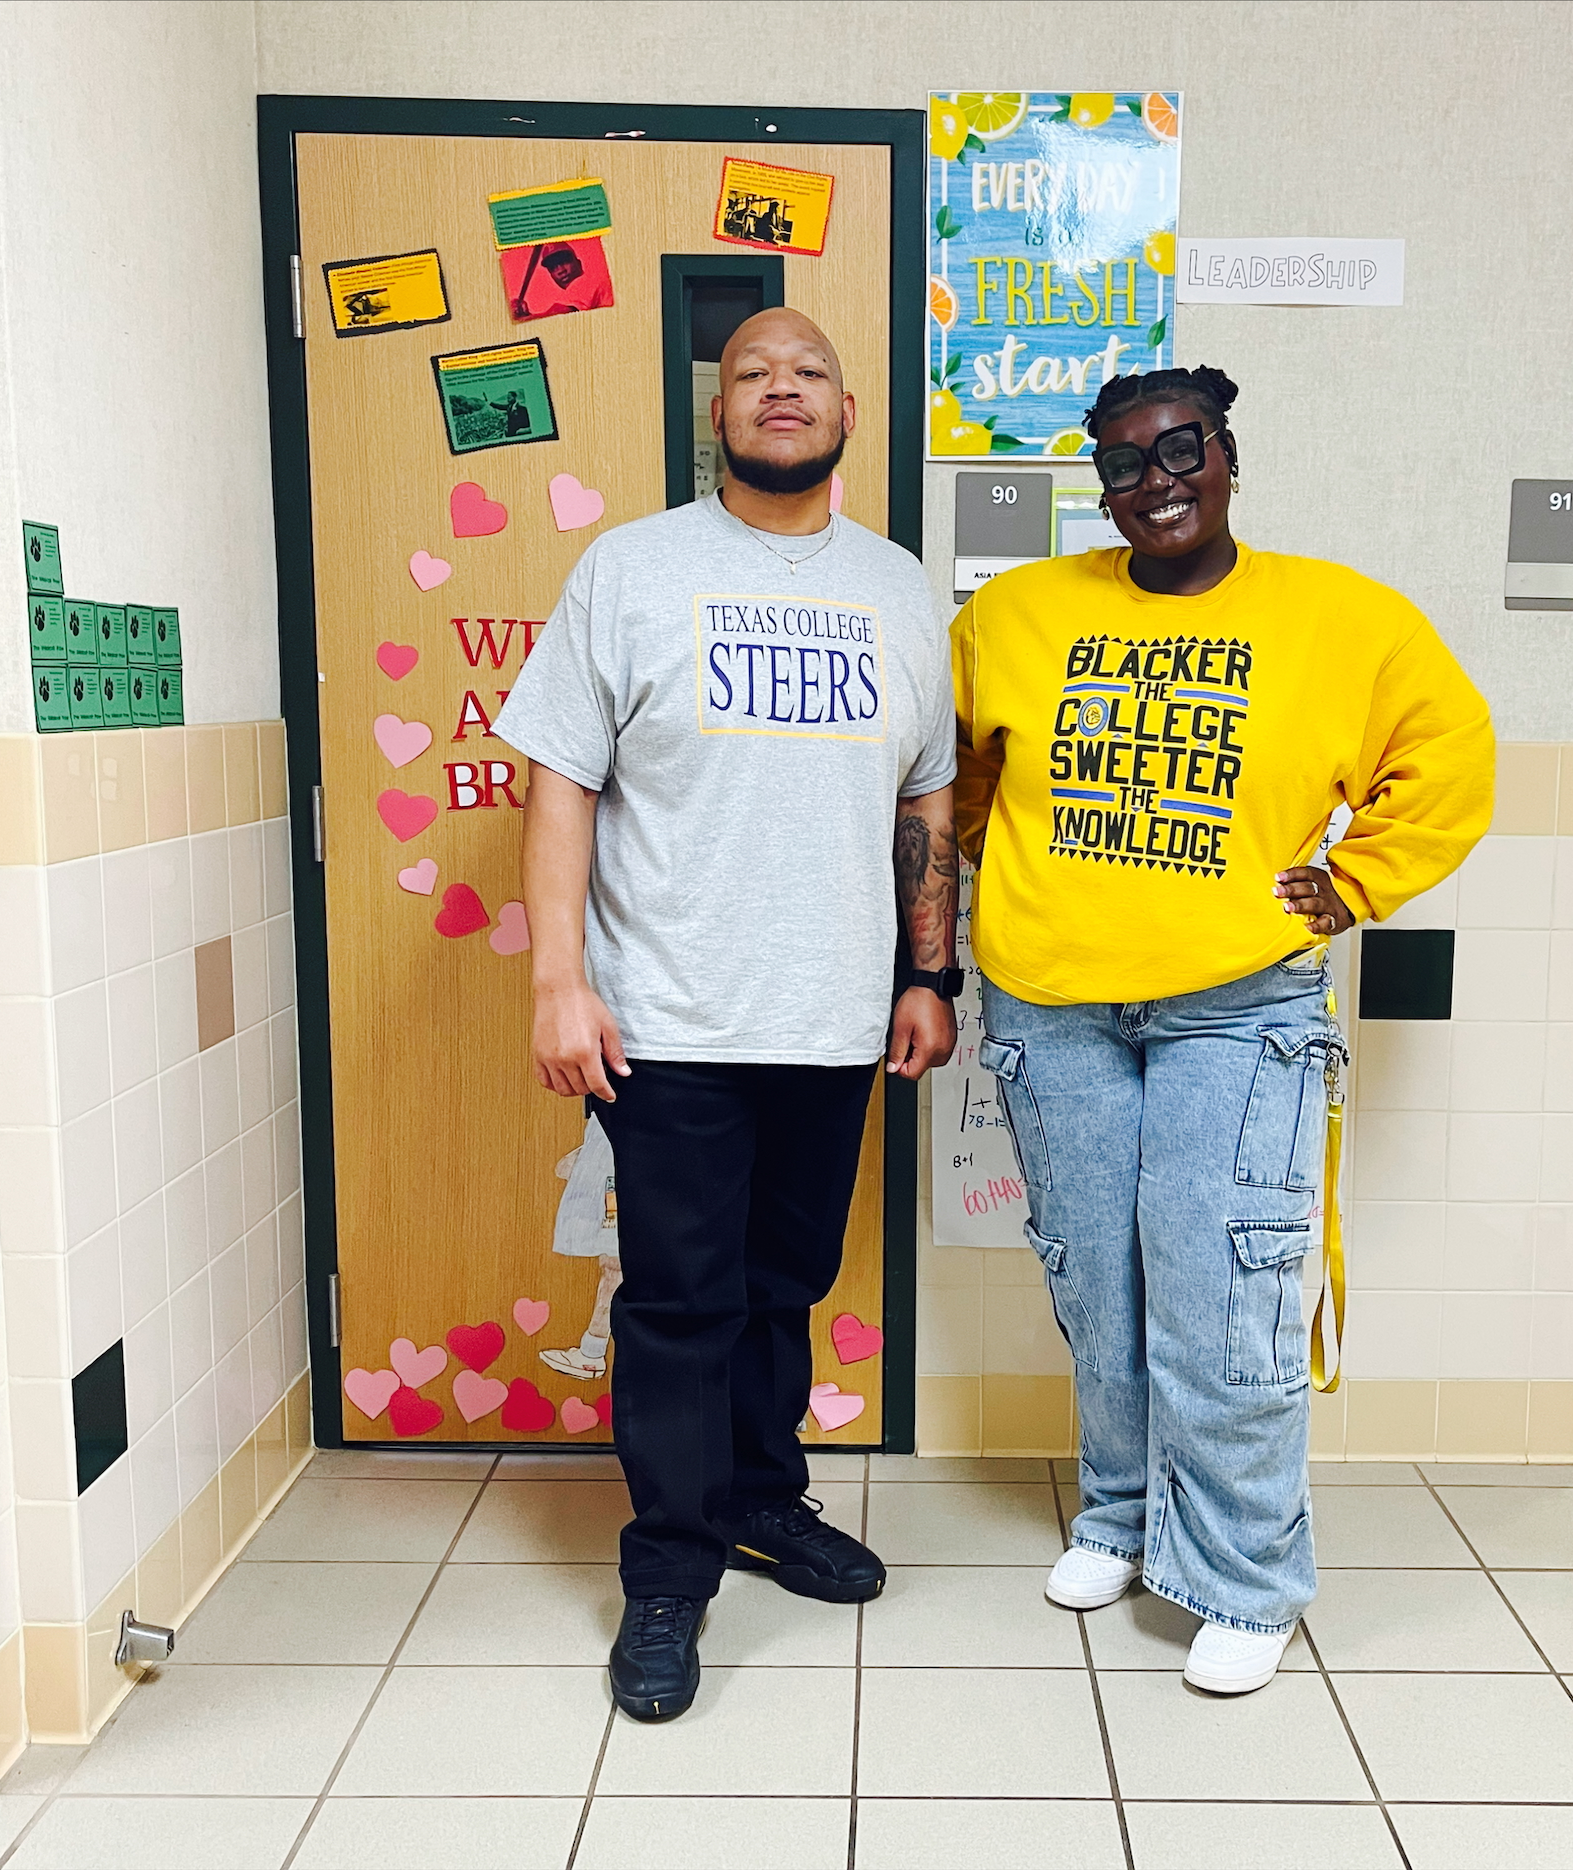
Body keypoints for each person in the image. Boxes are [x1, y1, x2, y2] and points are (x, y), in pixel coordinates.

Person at [953, 365, 1493, 1695]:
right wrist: (1005, 876)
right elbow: (953, 777)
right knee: (1099, 1279)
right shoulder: (1016, 613)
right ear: (1103, 484)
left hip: (1237, 1007)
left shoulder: (1341, 617)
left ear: (1229, 453)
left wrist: (1353, 879)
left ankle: (1248, 1576)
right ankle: (1122, 1518)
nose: (1158, 480)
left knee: (1226, 1291)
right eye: (1126, 463)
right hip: (1053, 1000)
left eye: (1181, 449)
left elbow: (1455, 752)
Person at [493, 308, 960, 1723]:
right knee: (682, 1305)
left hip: (831, 1023)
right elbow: (561, 777)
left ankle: (766, 1501)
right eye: (751, 369)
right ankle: (670, 1571)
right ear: (718, 409)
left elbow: (926, 800)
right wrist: (558, 978)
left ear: (849, 412)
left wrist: (928, 976)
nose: (779, 387)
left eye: (807, 369)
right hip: (669, 1021)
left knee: (782, 1289)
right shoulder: (631, 571)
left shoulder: (901, 591)